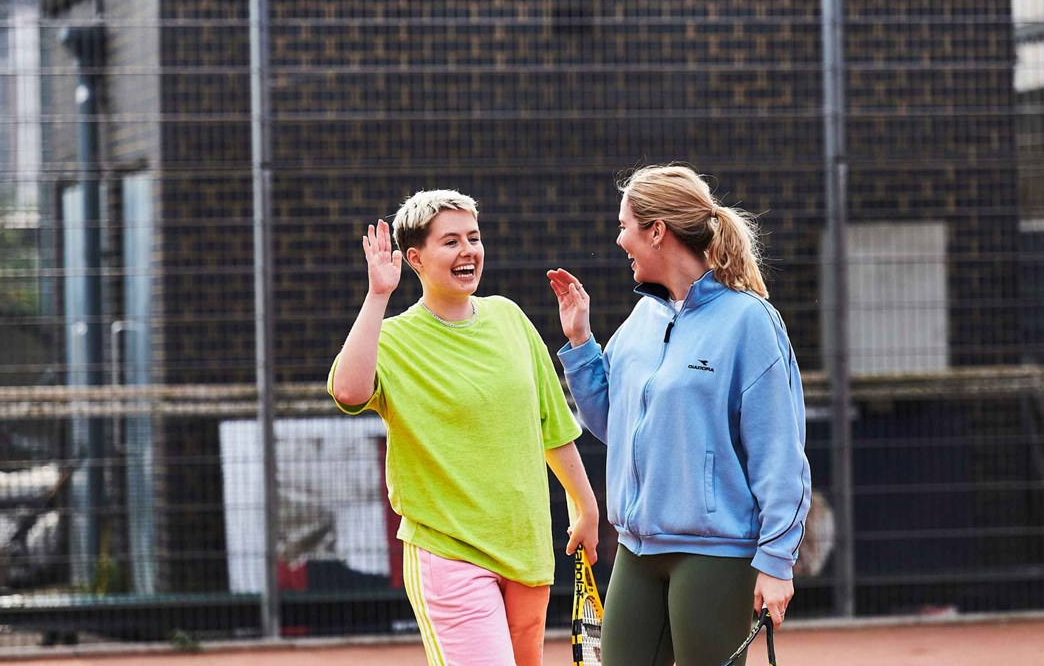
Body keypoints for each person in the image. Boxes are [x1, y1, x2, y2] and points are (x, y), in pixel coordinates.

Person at [548, 164, 811, 666]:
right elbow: (614, 426)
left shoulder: (750, 321)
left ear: (656, 232)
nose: (619, 238)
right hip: (636, 550)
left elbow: (780, 452)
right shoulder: (641, 319)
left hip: (716, 555)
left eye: (625, 224)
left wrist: (777, 562)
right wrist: (580, 342)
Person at [329, 189, 599, 666]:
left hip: (527, 549)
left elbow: (553, 426)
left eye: (473, 238)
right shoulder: (392, 339)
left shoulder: (510, 318)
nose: (468, 251)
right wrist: (377, 295)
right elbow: (349, 392)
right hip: (447, 550)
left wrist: (585, 505)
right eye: (450, 241)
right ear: (414, 257)